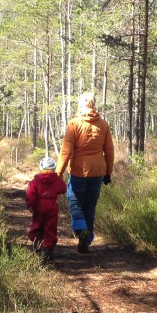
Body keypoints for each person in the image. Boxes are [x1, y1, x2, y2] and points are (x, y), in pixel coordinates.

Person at [57, 92, 114, 253]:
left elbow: (66, 152)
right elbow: (109, 151)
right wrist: (108, 173)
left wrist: (57, 174)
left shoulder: (74, 124)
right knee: (90, 206)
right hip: (98, 172)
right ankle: (87, 240)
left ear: (81, 106)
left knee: (75, 203)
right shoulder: (103, 125)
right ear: (93, 105)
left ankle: (82, 231)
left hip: (79, 172)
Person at [25, 156, 68, 262]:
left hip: (39, 206)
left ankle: (37, 244)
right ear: (53, 167)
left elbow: (30, 194)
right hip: (52, 205)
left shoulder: (35, 180)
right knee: (50, 226)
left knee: (37, 224)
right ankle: (48, 249)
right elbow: (63, 189)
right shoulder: (56, 179)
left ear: (41, 167)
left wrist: (30, 205)